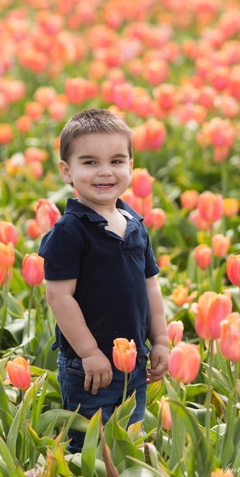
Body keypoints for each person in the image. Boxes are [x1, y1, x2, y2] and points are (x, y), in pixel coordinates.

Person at [37, 107, 170, 453]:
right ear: (67, 172)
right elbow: (59, 298)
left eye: (116, 160)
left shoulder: (135, 224)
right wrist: (89, 353)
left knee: (129, 438)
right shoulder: (69, 232)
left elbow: (150, 286)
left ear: (131, 165)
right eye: (90, 162)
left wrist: (161, 341)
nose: (105, 172)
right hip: (89, 366)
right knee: (88, 447)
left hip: (134, 361)